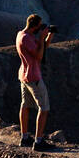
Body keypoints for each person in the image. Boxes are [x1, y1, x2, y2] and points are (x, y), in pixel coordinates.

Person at [16, 14, 56, 150]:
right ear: (35, 27)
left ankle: (25, 137)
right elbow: (39, 56)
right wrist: (41, 37)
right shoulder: (27, 39)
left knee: (25, 105)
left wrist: (48, 37)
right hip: (33, 77)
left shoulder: (21, 35)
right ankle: (38, 142)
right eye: (40, 26)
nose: (41, 28)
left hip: (24, 75)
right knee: (43, 108)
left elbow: (41, 50)